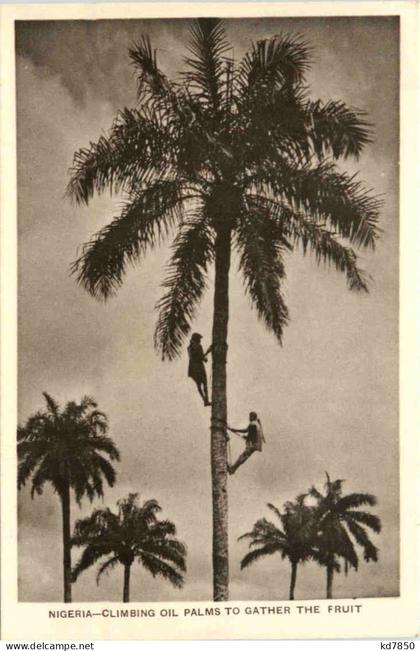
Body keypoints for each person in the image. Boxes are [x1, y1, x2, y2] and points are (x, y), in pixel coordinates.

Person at [187, 333, 212, 406]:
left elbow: (193, 357)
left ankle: (204, 399)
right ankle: (206, 400)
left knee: (198, 385)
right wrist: (208, 352)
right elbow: (202, 358)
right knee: (204, 384)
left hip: (192, 368)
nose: (200, 340)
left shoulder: (189, 347)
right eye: (199, 339)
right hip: (199, 367)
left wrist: (204, 356)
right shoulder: (198, 346)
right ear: (197, 339)